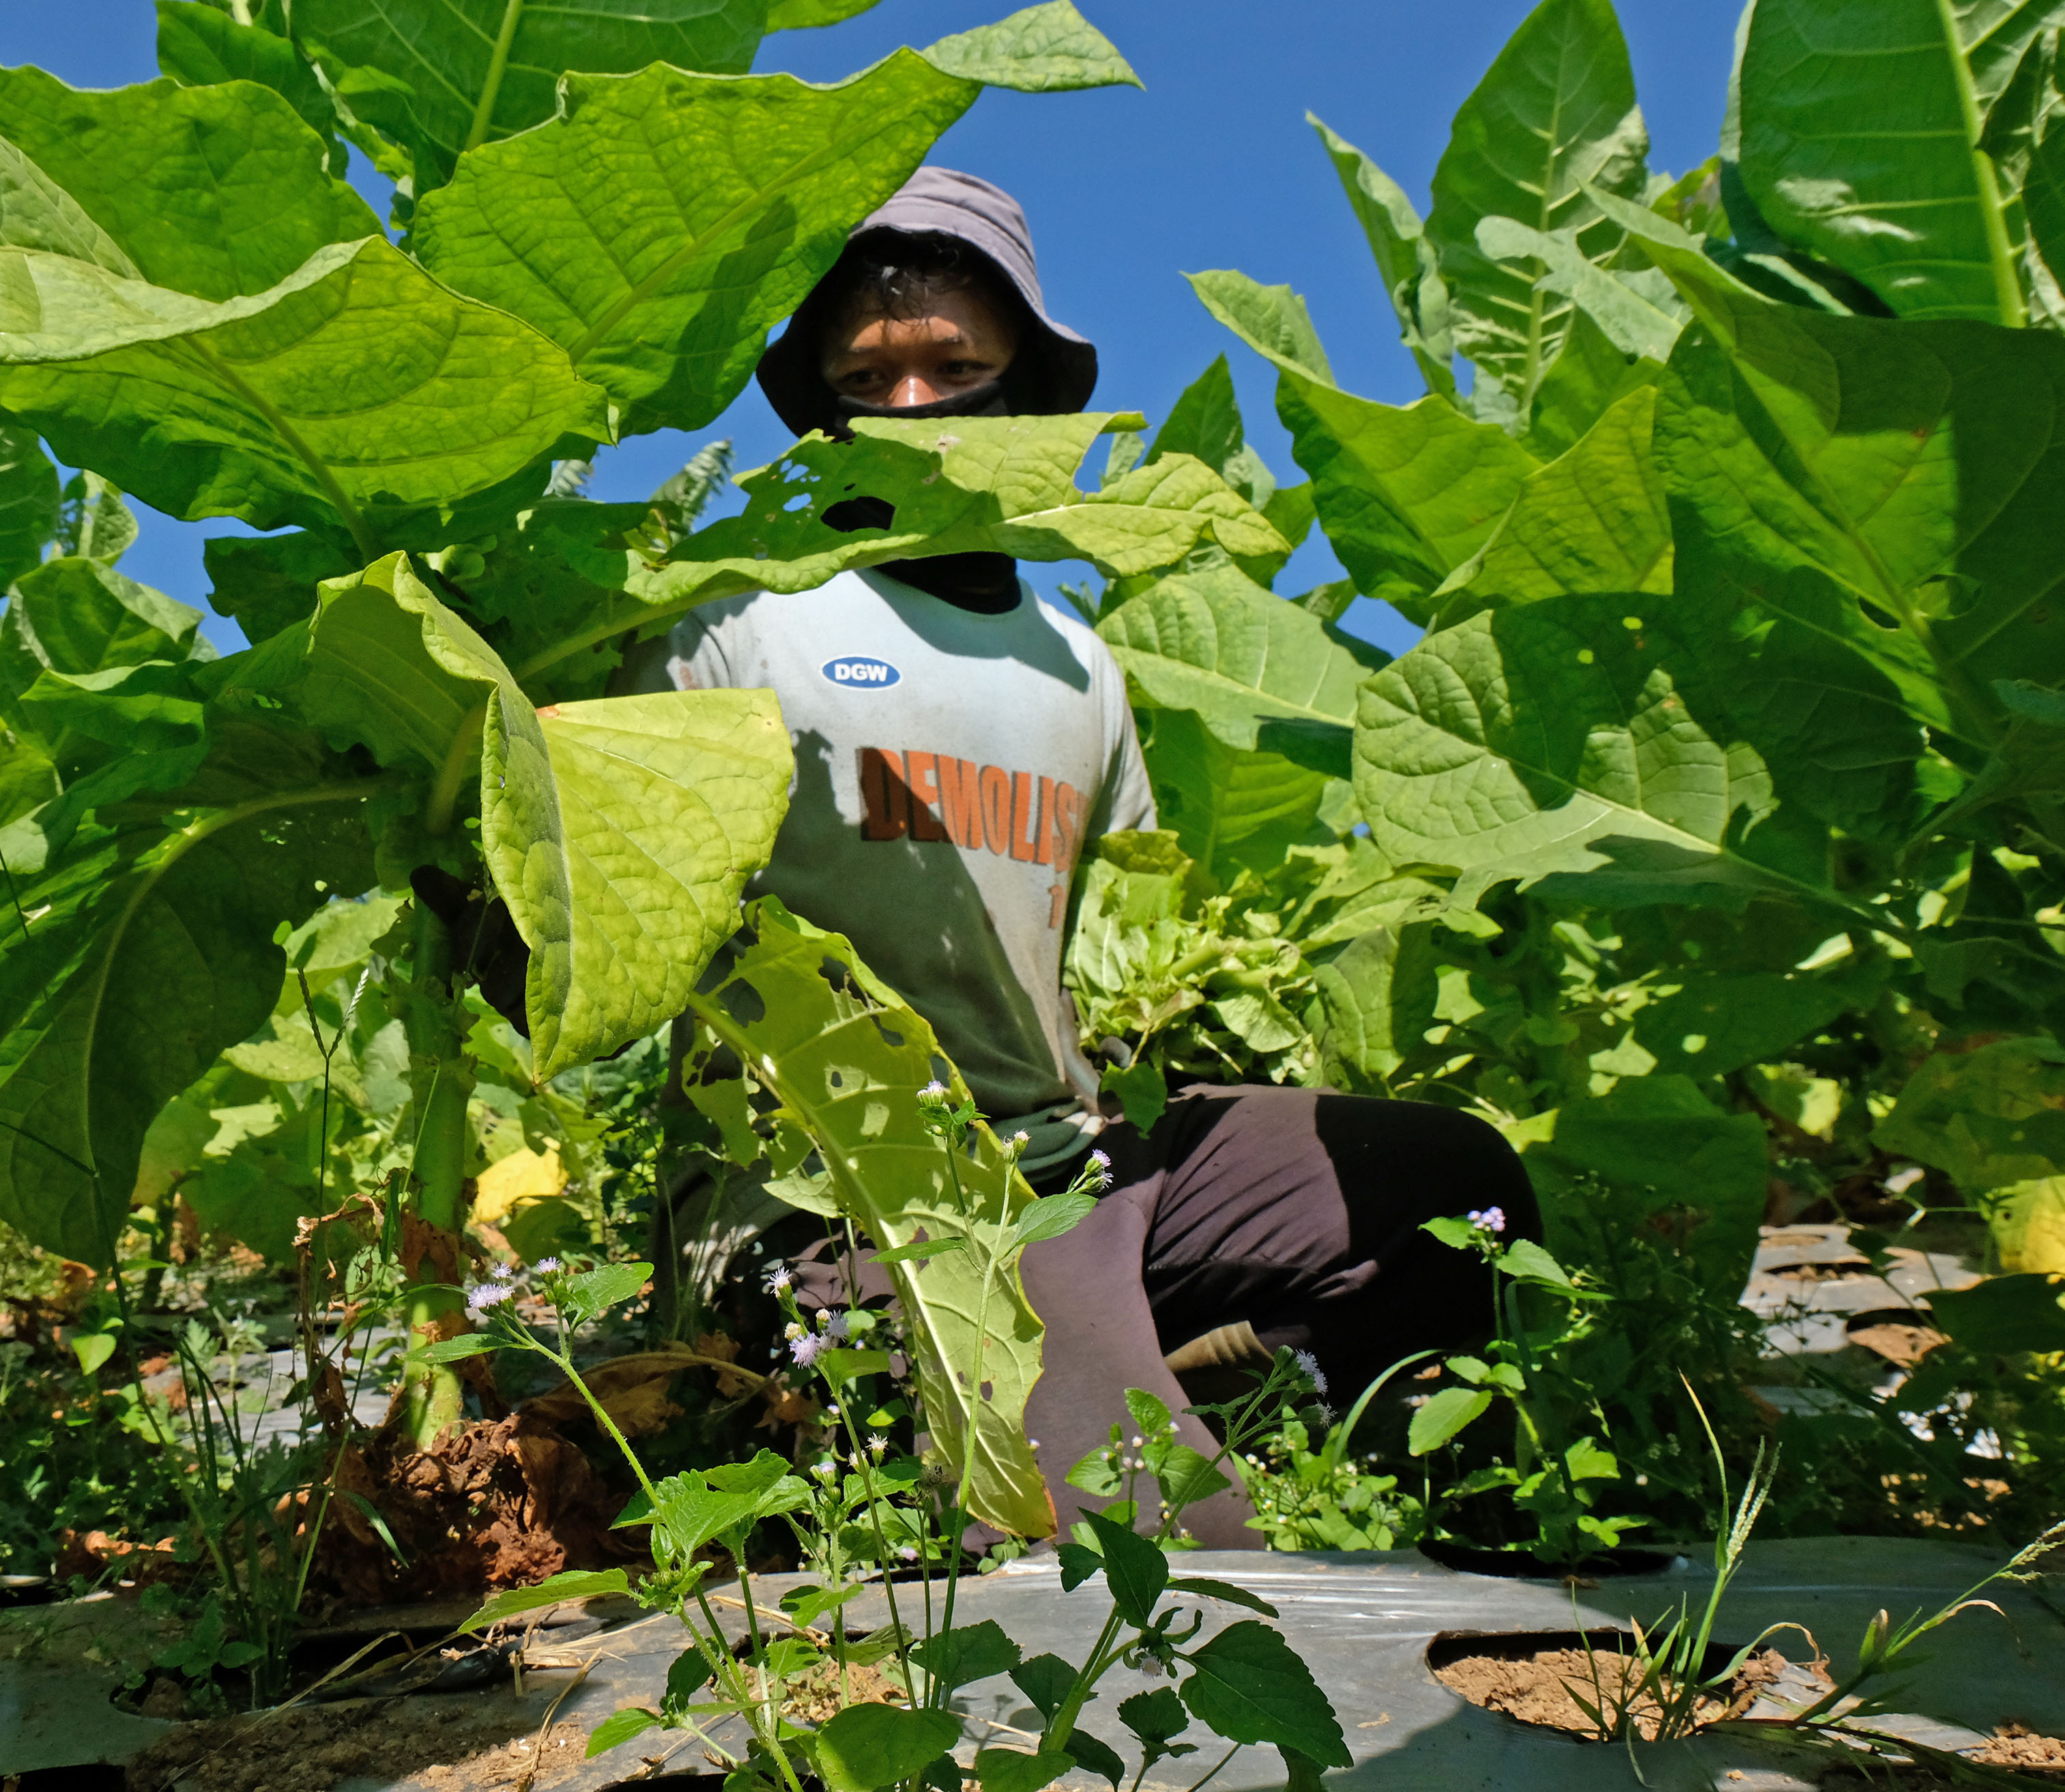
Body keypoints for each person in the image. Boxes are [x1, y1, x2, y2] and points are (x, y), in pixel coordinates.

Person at [639, 168, 1535, 1546]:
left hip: (1074, 1166)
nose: (920, 406)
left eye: (958, 366)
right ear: (822, 404)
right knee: (1159, 1562)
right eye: (874, 376)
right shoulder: (735, 624)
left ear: (1029, 391)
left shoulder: (1080, 661)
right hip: (847, 1200)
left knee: (1443, 1181)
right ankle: (1087, 1404)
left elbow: (1111, 946)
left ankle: (1239, 1402)